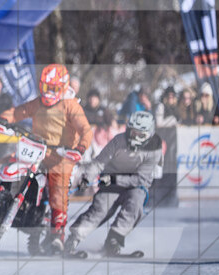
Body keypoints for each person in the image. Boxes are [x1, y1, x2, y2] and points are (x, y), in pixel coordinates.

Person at [0, 63, 93, 253]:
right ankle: (1, 202)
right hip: (36, 149)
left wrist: (79, 148)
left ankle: (57, 235)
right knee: (4, 163)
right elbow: (18, 112)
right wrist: (4, 120)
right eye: (45, 88)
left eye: (53, 89)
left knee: (57, 191)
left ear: (62, 87)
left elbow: (85, 130)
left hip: (60, 156)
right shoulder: (38, 102)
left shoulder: (70, 106)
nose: (48, 93)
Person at [64, 110, 163, 258]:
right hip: (111, 180)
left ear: (148, 134)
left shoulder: (154, 148)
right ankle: (73, 239)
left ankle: (114, 239)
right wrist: (86, 178)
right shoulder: (118, 141)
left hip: (135, 185)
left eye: (140, 135)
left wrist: (115, 180)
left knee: (135, 204)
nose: (134, 137)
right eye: (132, 132)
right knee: (101, 209)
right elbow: (98, 163)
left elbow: (141, 179)